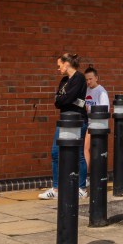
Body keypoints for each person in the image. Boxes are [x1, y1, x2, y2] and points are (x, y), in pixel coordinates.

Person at [39, 53, 88, 200]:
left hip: (77, 120)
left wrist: (64, 99)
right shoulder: (64, 80)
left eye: (59, 65)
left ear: (67, 64)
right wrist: (63, 99)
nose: (58, 68)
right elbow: (58, 101)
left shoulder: (79, 78)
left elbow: (68, 98)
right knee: (55, 152)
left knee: (78, 154)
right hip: (64, 120)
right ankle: (56, 188)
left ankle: (82, 188)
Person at [83, 65, 110, 189]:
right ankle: (89, 176)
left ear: (96, 78)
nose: (88, 82)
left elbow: (106, 109)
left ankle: (86, 178)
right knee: (87, 150)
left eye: (90, 79)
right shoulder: (87, 90)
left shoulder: (101, 91)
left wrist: (90, 109)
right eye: (87, 79)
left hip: (96, 125)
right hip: (88, 123)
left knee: (87, 149)